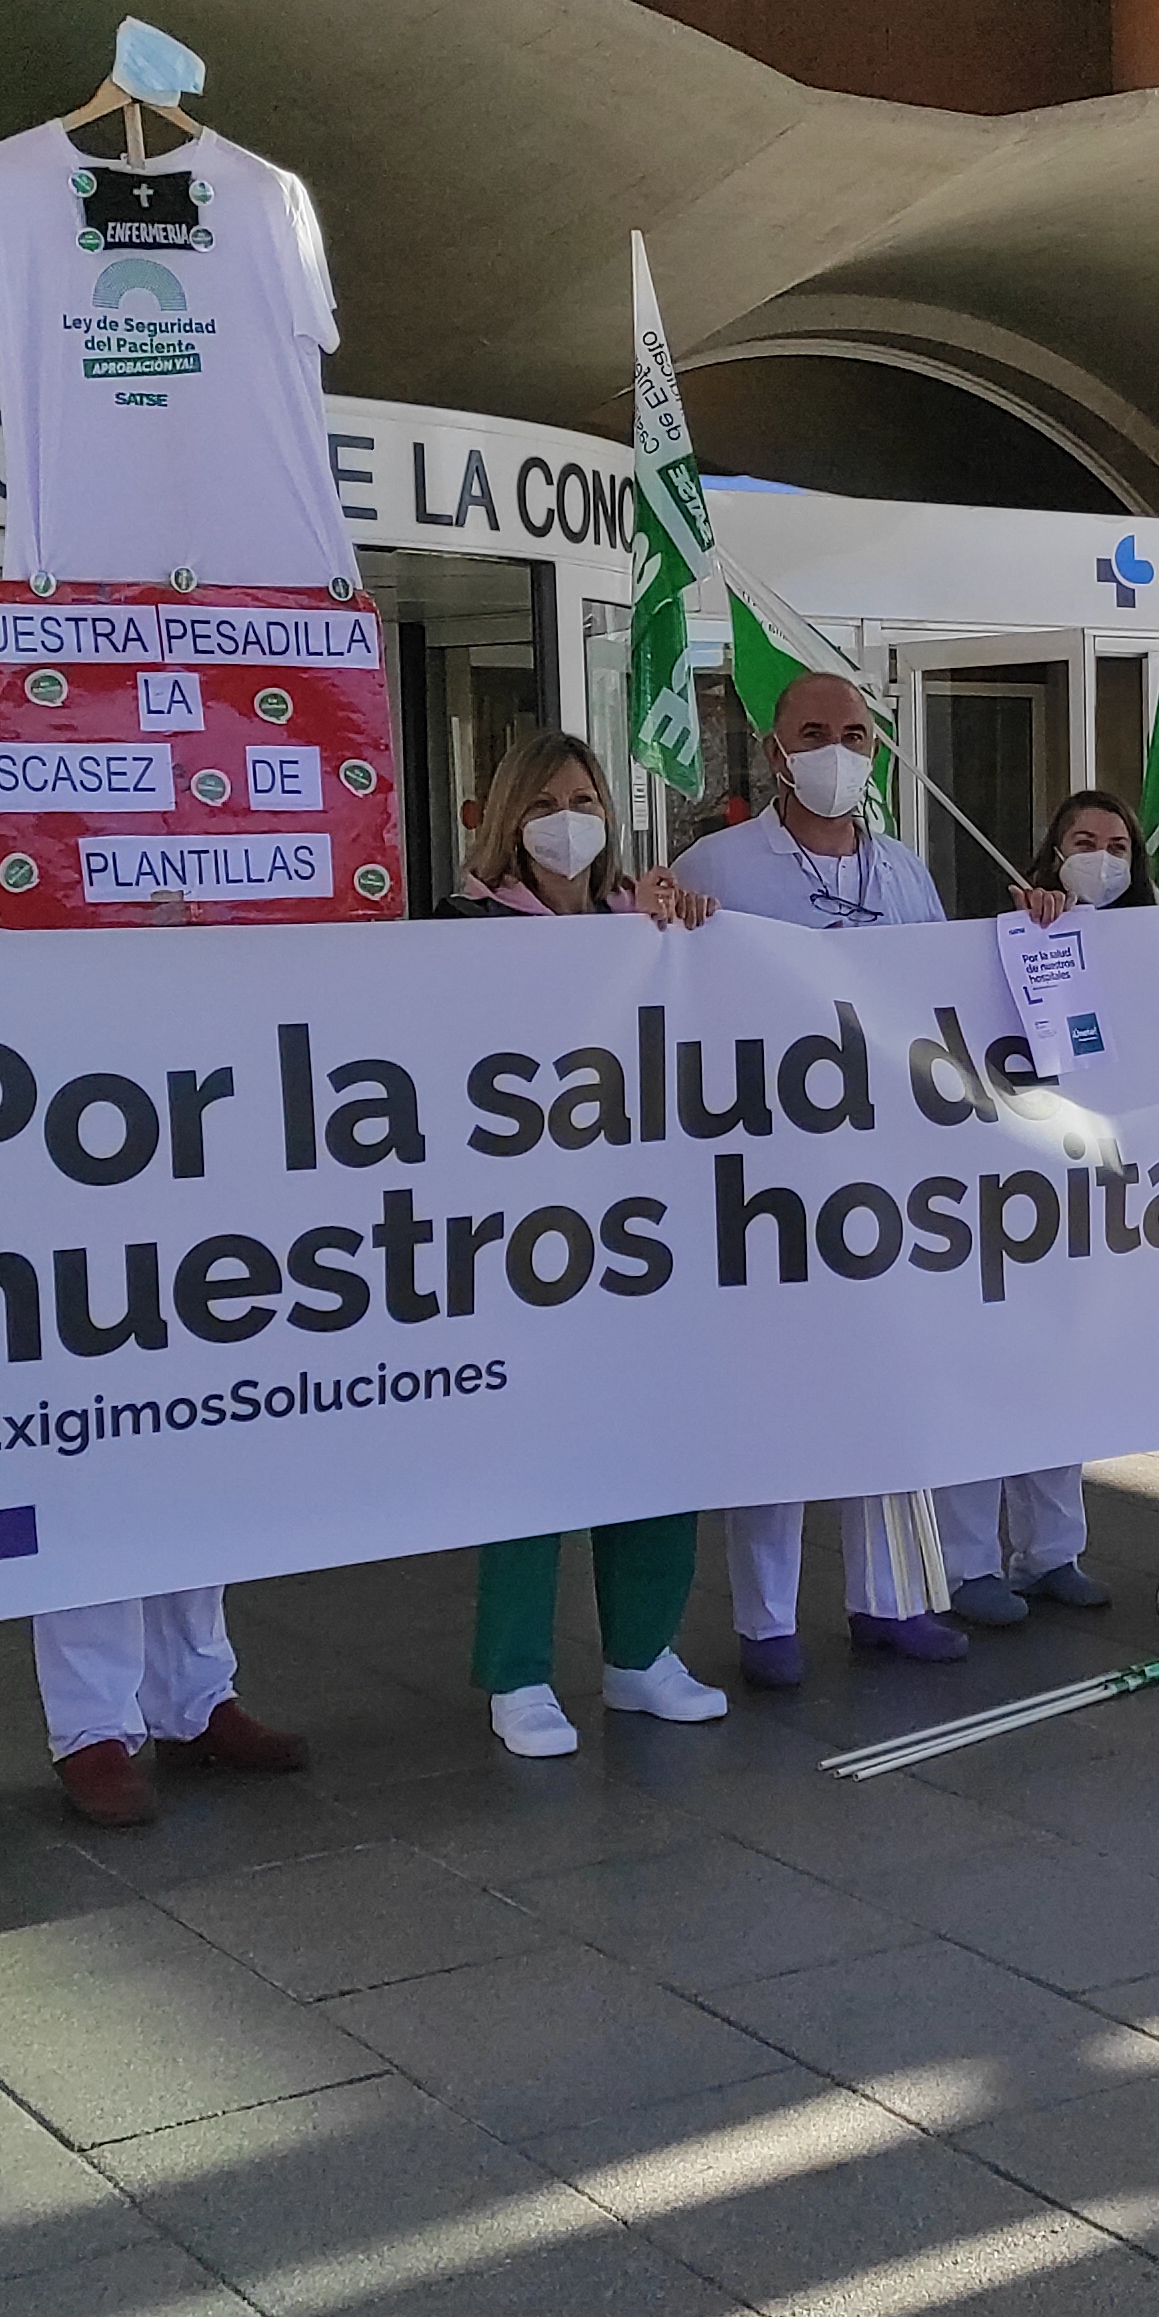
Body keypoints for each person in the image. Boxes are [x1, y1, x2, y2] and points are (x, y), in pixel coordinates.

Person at [427, 733, 733, 1757]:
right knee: (531, 1455)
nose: (570, 815)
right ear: (509, 818)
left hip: (644, 1234)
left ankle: (641, 1654)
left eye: (585, 795)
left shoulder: (640, 925)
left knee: (656, 1441)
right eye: (548, 799)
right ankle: (515, 1673)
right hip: (520, 1236)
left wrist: (684, 929)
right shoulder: (458, 928)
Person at [670, 671, 969, 1671]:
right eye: (812, 732)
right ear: (773, 751)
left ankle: (892, 1599)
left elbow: (942, 1008)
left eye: (853, 734)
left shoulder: (905, 875)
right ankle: (767, 1621)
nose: (834, 751)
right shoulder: (717, 862)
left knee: (891, 1382)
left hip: (888, 1180)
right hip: (765, 1179)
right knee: (777, 1395)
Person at [929, 791, 1145, 1627]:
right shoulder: (1006, 936)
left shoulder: (1148, 943)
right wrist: (1032, 928)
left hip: (1098, 1193)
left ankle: (1053, 1551)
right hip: (1001, 1190)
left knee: (1065, 1375)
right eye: (1081, 842)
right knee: (989, 1375)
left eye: (1117, 844)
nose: (1100, 857)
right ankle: (969, 1565)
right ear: (1050, 854)